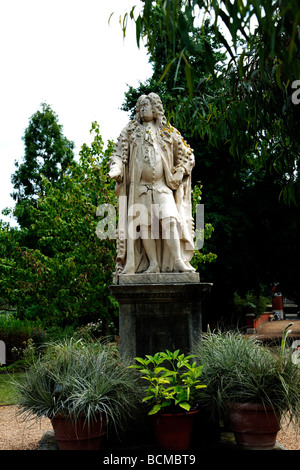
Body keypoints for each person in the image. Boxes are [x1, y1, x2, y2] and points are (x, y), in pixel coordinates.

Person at [108, 92, 196, 275]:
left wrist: (180, 172)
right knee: (144, 227)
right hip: (139, 189)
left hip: (162, 187)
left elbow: (188, 155)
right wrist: (115, 169)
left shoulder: (168, 132)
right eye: (140, 107)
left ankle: (178, 261)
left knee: (170, 220)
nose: (142, 109)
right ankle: (153, 263)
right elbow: (117, 154)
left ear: (155, 109)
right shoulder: (129, 132)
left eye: (146, 106)